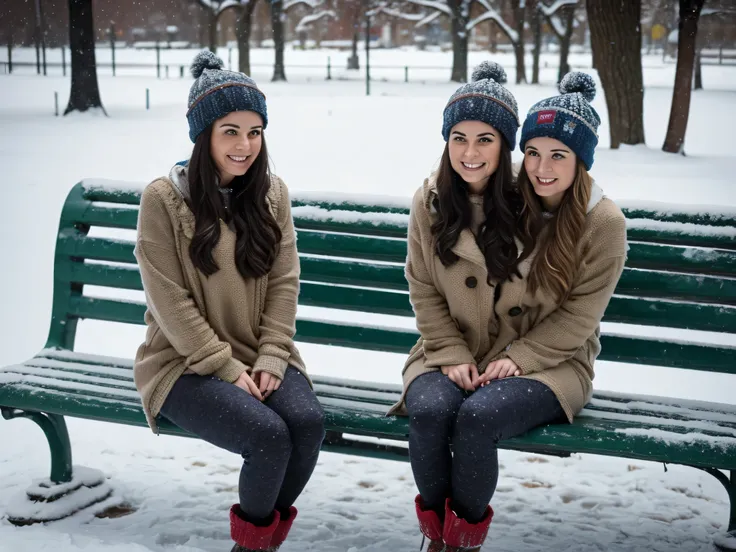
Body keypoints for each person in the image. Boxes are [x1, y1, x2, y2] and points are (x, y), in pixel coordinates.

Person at [389, 68, 627, 552]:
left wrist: (521, 357)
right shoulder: (489, 199)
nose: (542, 167)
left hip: (552, 362)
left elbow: (582, 314)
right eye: (534, 153)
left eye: (559, 155)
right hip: (451, 349)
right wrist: (452, 349)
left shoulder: (591, 221)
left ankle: (461, 544)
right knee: (432, 410)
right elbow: (423, 284)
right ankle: (438, 536)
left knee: (477, 418)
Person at [133, 51, 325, 552]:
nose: (245, 146)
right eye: (230, 132)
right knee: (268, 436)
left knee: (305, 424)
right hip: (182, 364)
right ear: (204, 136)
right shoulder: (163, 200)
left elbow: (285, 281)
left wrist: (271, 356)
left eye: (255, 132)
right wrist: (223, 366)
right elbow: (169, 300)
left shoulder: (272, 194)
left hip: (257, 353)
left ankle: (257, 543)